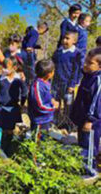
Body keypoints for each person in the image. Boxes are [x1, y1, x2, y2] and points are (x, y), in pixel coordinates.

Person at [70, 48, 101, 178]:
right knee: (82, 143)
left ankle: (91, 171)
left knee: (89, 146)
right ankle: (82, 166)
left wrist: (90, 120)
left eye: (90, 63)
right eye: (86, 61)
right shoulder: (87, 76)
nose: (85, 64)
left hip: (91, 122)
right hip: (82, 118)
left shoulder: (98, 81)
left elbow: (96, 102)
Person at [0, 56, 27, 156]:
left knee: (10, 130)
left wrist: (22, 104)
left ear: (15, 68)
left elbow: (24, 92)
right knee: (2, 129)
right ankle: (1, 149)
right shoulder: (1, 79)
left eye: (7, 67)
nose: (5, 69)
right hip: (2, 107)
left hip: (13, 108)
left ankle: (9, 150)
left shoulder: (18, 80)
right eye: (4, 66)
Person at [52, 31, 82, 123]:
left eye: (67, 38)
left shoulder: (76, 54)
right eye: (63, 38)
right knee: (55, 103)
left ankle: (67, 123)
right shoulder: (58, 52)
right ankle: (55, 121)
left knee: (68, 106)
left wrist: (72, 85)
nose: (64, 40)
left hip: (68, 85)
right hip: (56, 84)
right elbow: (52, 66)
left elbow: (76, 70)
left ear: (74, 40)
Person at [28, 59, 59, 136]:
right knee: (38, 141)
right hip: (40, 120)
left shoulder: (46, 82)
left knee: (45, 140)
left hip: (46, 118)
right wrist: (53, 107)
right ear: (49, 74)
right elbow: (40, 105)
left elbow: (46, 96)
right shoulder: (37, 86)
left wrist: (52, 100)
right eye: (53, 71)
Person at [22, 21, 49, 86]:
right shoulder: (35, 33)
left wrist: (38, 46)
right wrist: (31, 50)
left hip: (24, 54)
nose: (43, 33)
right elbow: (28, 46)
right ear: (43, 29)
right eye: (44, 31)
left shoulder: (31, 31)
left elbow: (28, 43)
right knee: (31, 73)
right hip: (29, 55)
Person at [76, 13, 92, 82]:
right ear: (81, 21)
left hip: (83, 52)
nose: (89, 23)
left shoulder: (85, 31)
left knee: (82, 68)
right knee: (77, 68)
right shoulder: (77, 29)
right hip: (77, 52)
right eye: (87, 21)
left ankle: (78, 82)